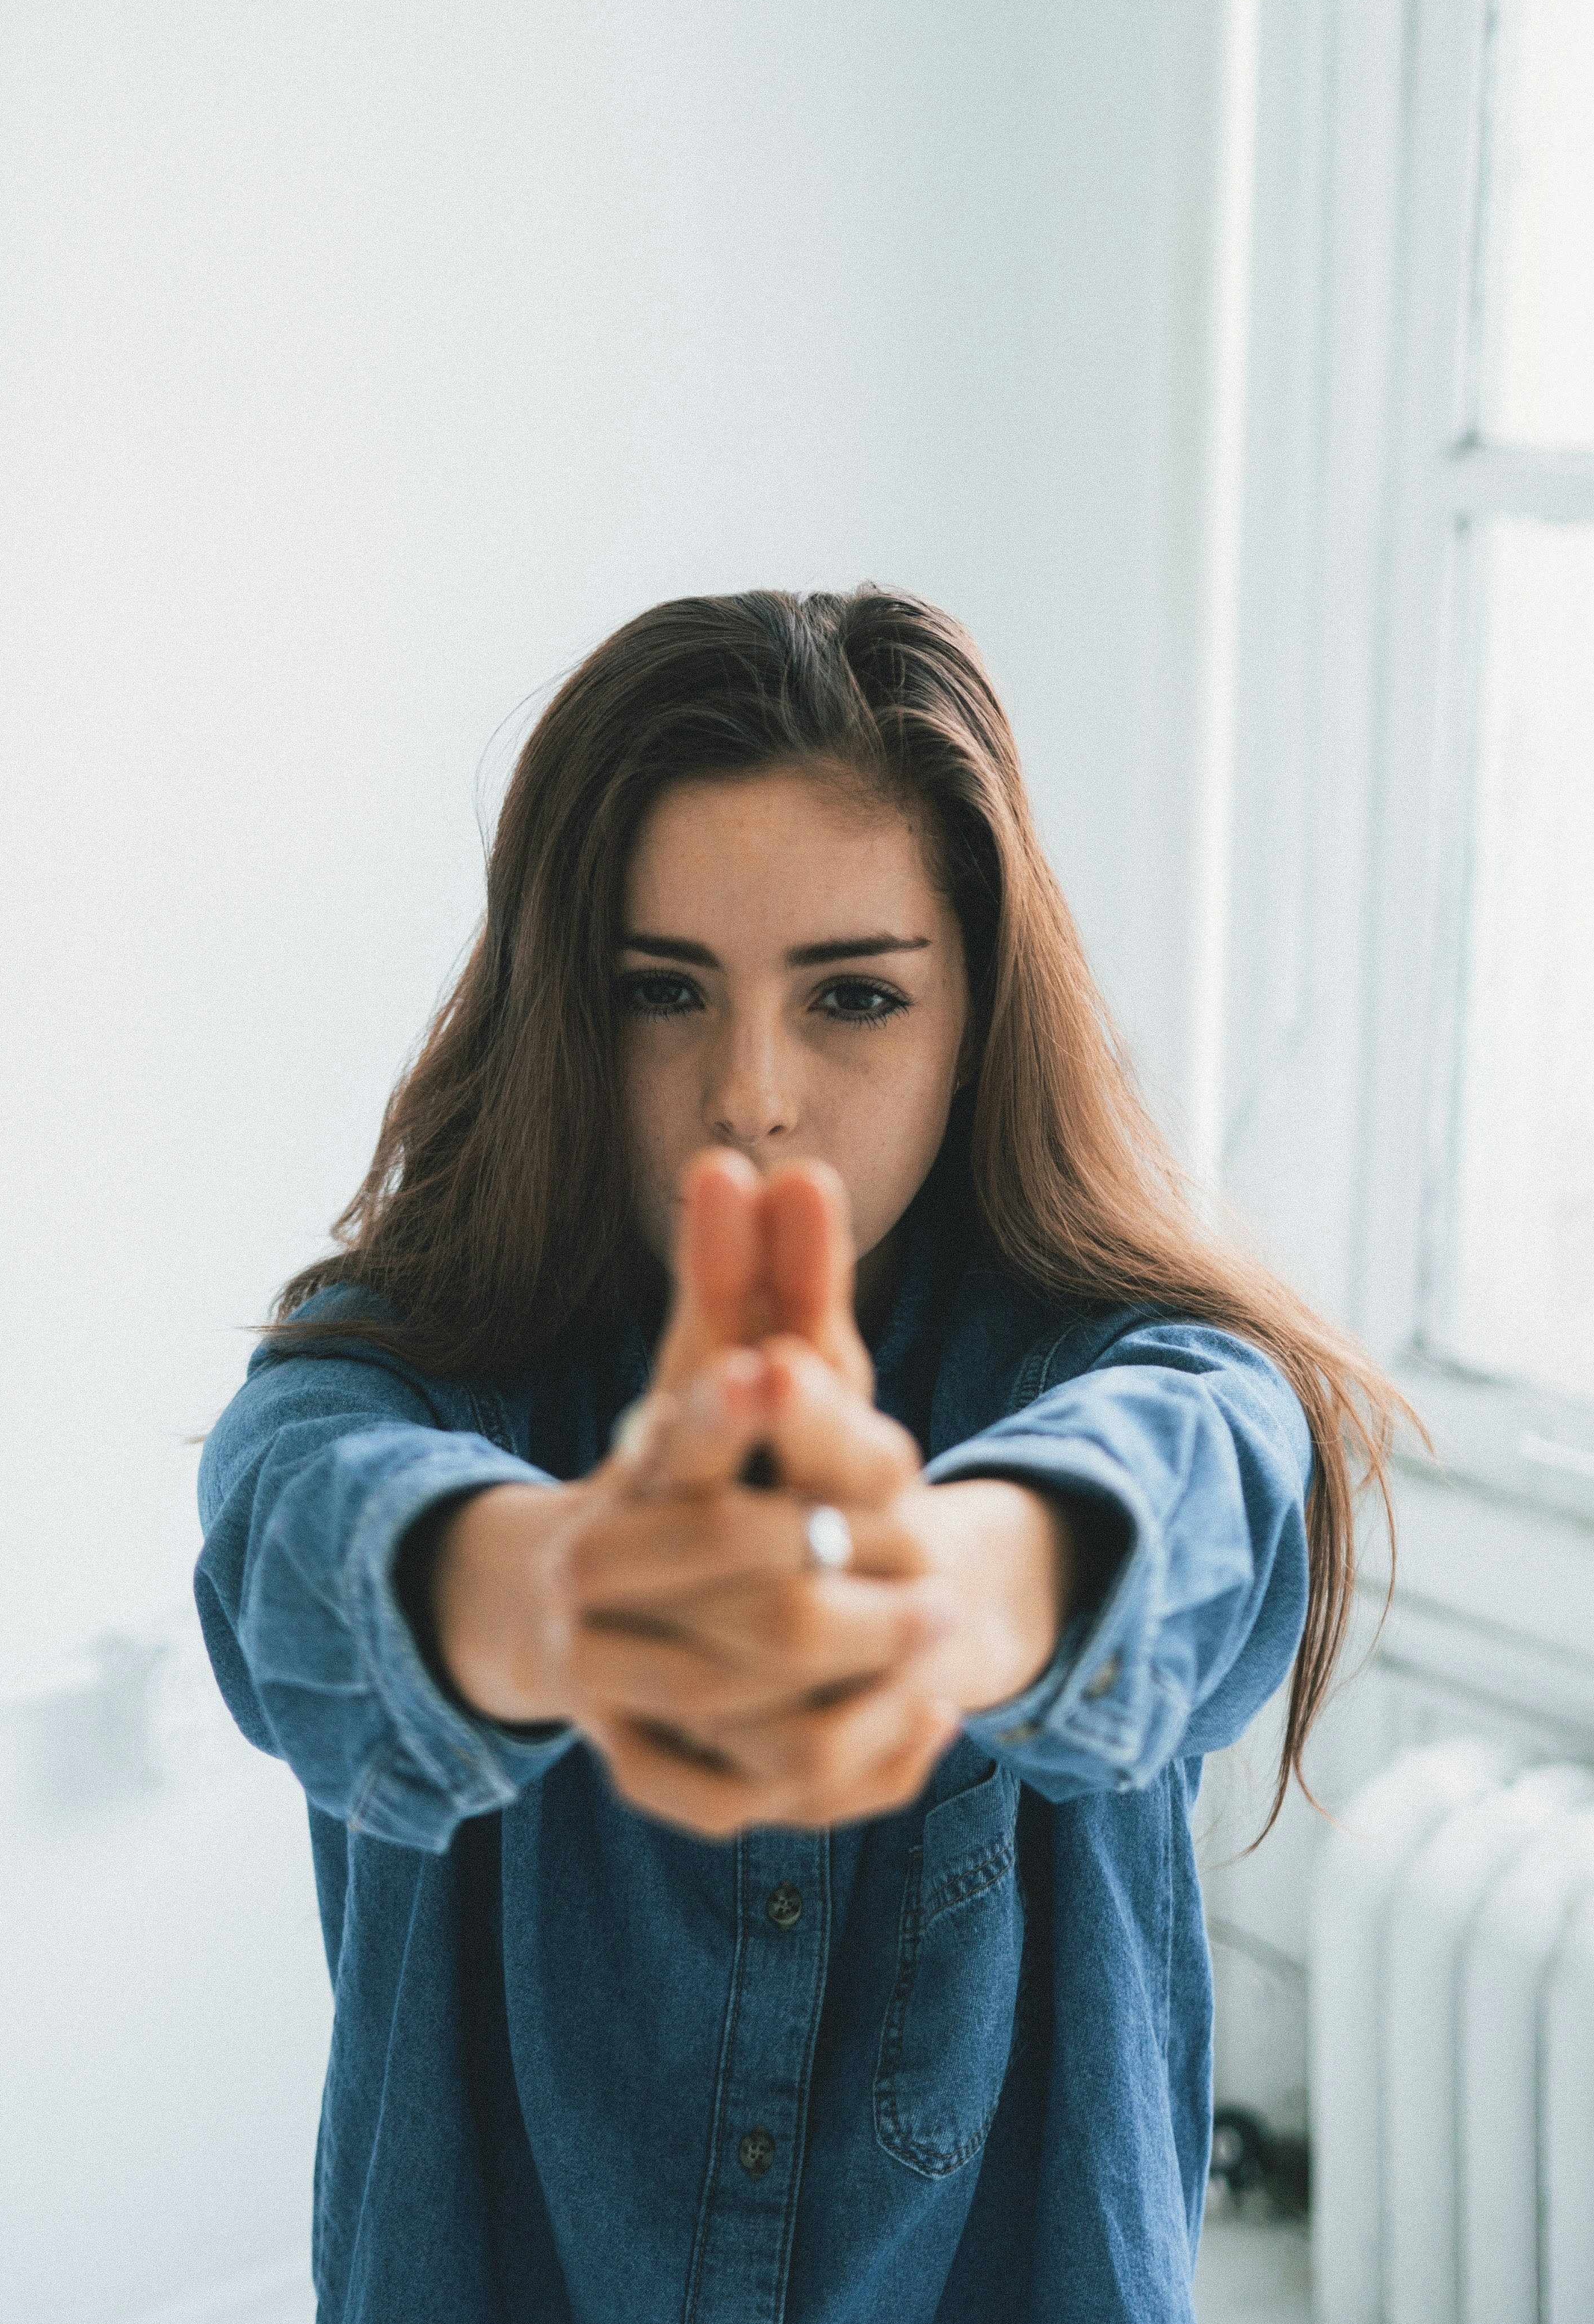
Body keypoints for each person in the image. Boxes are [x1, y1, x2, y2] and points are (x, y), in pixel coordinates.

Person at [194, 586, 1405, 2324]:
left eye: (850, 996)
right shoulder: (393, 1364)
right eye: (656, 992)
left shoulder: (1125, 1365)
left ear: (976, 1013)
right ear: (559, 1007)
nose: (749, 1092)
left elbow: (1213, 1466)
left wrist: (951, 1580)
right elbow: (291, 1532)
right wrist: (568, 1588)